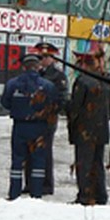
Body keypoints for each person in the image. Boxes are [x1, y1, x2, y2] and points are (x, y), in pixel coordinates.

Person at [0, 52, 58, 200]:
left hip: (19, 126)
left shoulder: (12, 84)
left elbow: (5, 103)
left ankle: (14, 192)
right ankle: (36, 193)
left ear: (23, 67)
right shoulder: (47, 86)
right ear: (38, 67)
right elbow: (53, 104)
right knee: (38, 160)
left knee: (18, 159)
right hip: (39, 127)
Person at [67, 49, 110, 205]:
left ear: (84, 64)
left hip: (84, 130)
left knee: (84, 163)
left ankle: (85, 195)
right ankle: (100, 195)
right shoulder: (106, 81)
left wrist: (68, 113)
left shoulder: (83, 81)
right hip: (101, 131)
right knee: (97, 164)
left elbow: (75, 108)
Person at [29, 41, 67, 195]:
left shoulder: (57, 75)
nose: (42, 59)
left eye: (46, 56)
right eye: (40, 56)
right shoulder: (35, 74)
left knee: (45, 151)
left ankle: (46, 184)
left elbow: (61, 98)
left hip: (48, 118)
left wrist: (50, 111)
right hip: (32, 118)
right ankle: (31, 183)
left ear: (52, 58)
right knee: (30, 150)